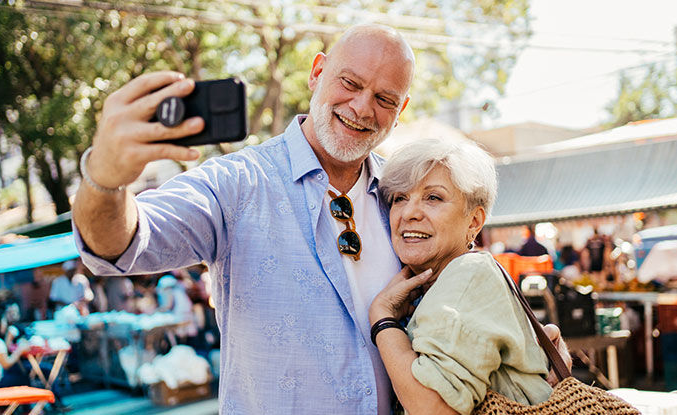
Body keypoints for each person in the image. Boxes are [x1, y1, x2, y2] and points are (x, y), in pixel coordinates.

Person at [72, 24, 568, 414]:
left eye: (384, 99)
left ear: (401, 109)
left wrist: (518, 347)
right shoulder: (235, 184)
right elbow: (119, 243)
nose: (361, 108)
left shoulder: (401, 199)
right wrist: (104, 180)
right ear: (317, 73)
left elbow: (460, 297)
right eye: (350, 84)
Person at [369, 138, 552, 414]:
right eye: (400, 198)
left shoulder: (469, 274)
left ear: (474, 221)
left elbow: (433, 407)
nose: (409, 213)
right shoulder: (438, 283)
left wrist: (382, 319)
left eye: (433, 197)